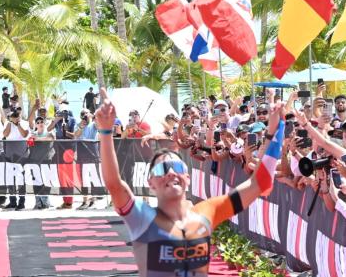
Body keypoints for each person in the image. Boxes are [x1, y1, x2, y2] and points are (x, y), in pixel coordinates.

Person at [98, 87, 286, 277]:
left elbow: (260, 183)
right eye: (162, 169)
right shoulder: (142, 217)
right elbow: (114, 184)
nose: (171, 172)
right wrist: (105, 131)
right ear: (151, 183)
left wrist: (275, 131)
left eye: (177, 167)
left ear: (187, 178)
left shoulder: (206, 212)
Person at [30, 116, 56, 209]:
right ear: (36, 125)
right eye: (38, 122)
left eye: (42, 122)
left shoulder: (50, 132)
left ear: (44, 123)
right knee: (37, 182)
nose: (40, 123)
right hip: (35, 161)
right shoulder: (33, 133)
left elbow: (51, 138)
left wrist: (37, 138)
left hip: (47, 160)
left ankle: (45, 202)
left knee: (46, 181)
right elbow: (30, 141)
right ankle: (38, 203)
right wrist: (36, 138)